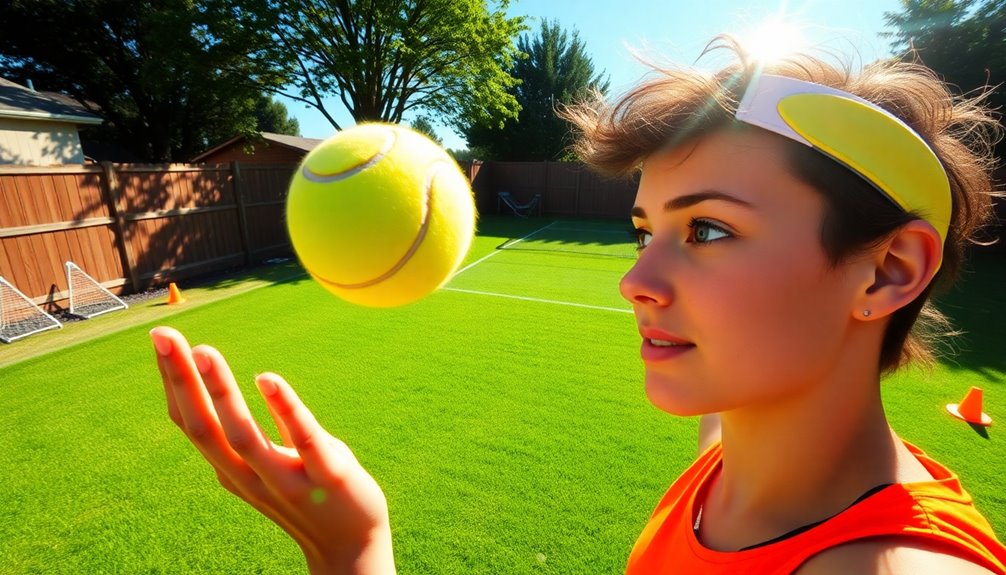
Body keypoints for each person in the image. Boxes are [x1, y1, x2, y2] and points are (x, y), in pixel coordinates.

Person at [149, 35, 1006, 574]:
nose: (636, 280)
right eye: (645, 231)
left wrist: (354, 556)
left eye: (707, 229)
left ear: (888, 271)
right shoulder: (736, 453)